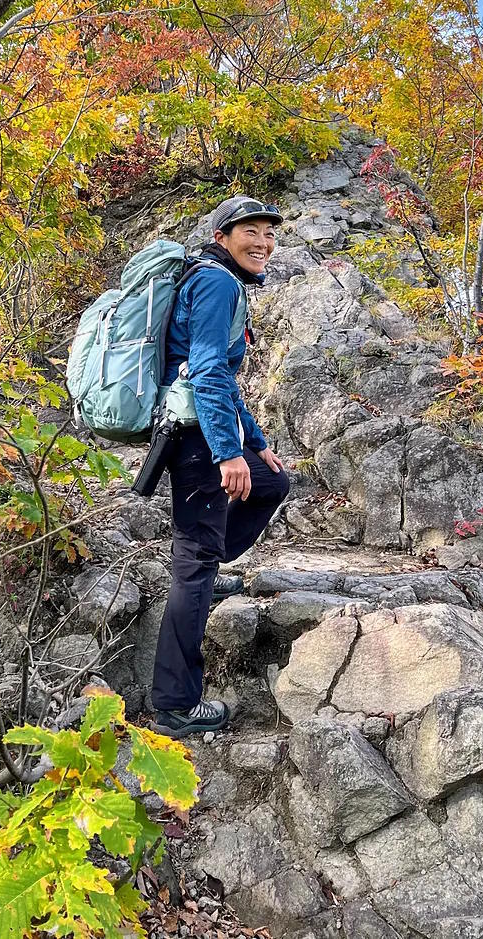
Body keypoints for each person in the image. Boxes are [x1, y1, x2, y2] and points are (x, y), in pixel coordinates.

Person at [151, 195, 290, 736]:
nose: (263, 242)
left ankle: (207, 574)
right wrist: (227, 452)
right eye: (250, 231)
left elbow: (220, 381)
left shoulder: (212, 280)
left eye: (270, 234)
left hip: (194, 432)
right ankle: (175, 704)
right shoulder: (217, 283)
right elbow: (207, 372)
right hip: (197, 440)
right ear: (223, 237)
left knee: (273, 480)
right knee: (194, 558)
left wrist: (254, 445)